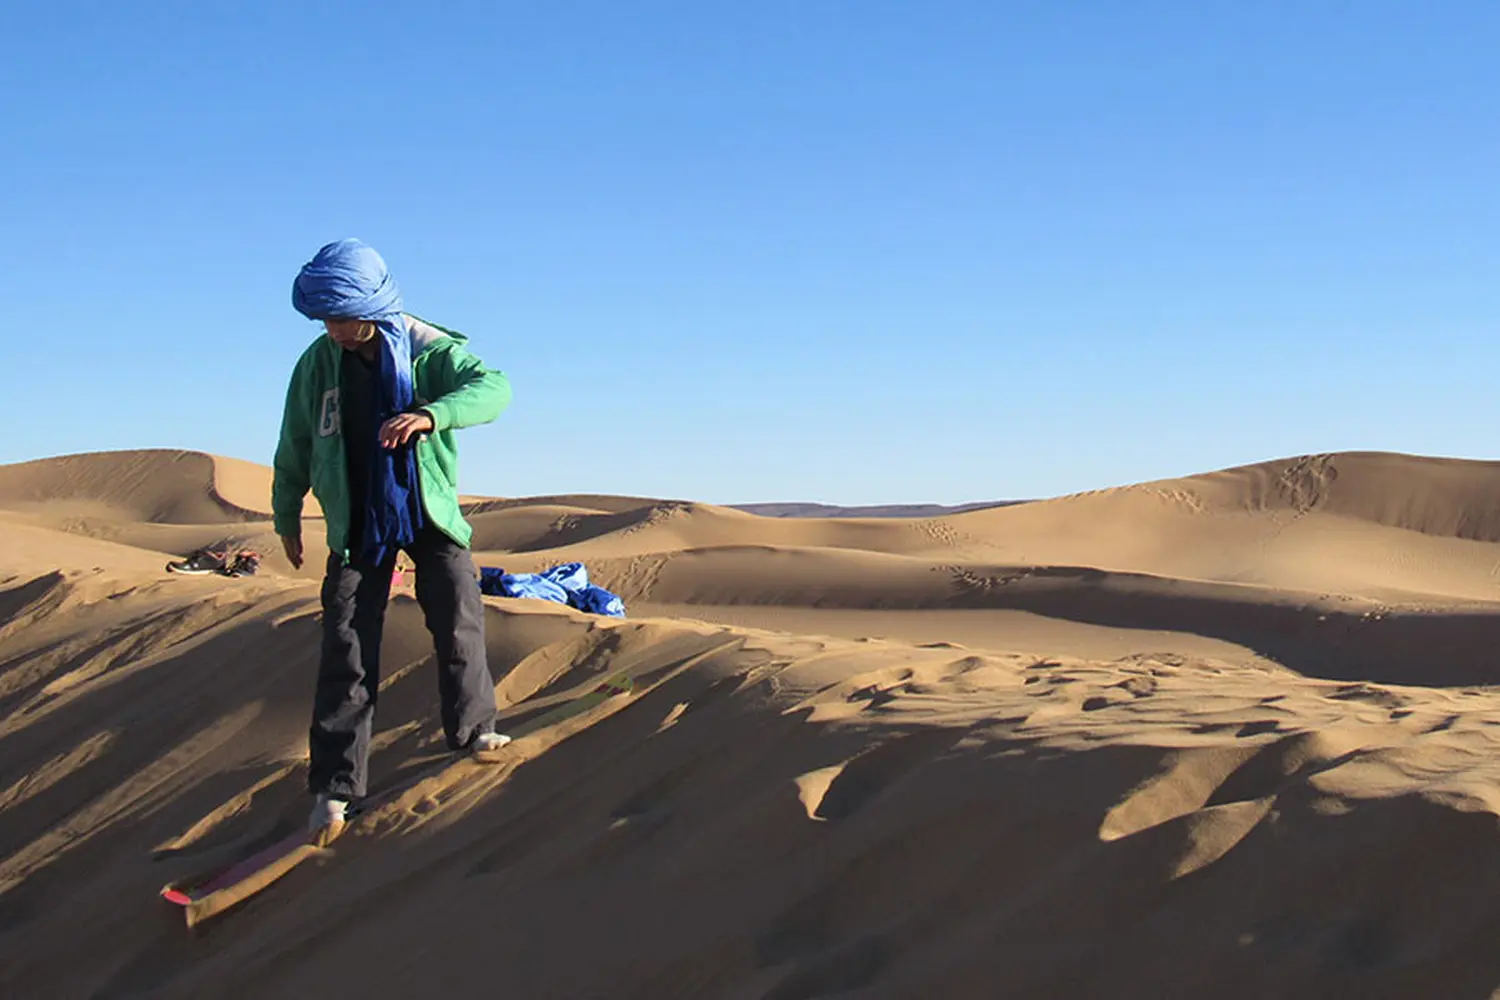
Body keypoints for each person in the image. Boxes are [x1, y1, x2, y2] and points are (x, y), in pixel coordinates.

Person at [272, 238, 513, 843]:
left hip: (426, 513)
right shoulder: (318, 363)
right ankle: (334, 787)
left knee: (458, 614)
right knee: (346, 647)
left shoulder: (427, 349)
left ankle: (475, 731)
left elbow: (495, 389)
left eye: (340, 316)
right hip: (358, 525)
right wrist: (285, 513)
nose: (334, 329)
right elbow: (295, 441)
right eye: (325, 318)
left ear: (370, 305)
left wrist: (434, 415)